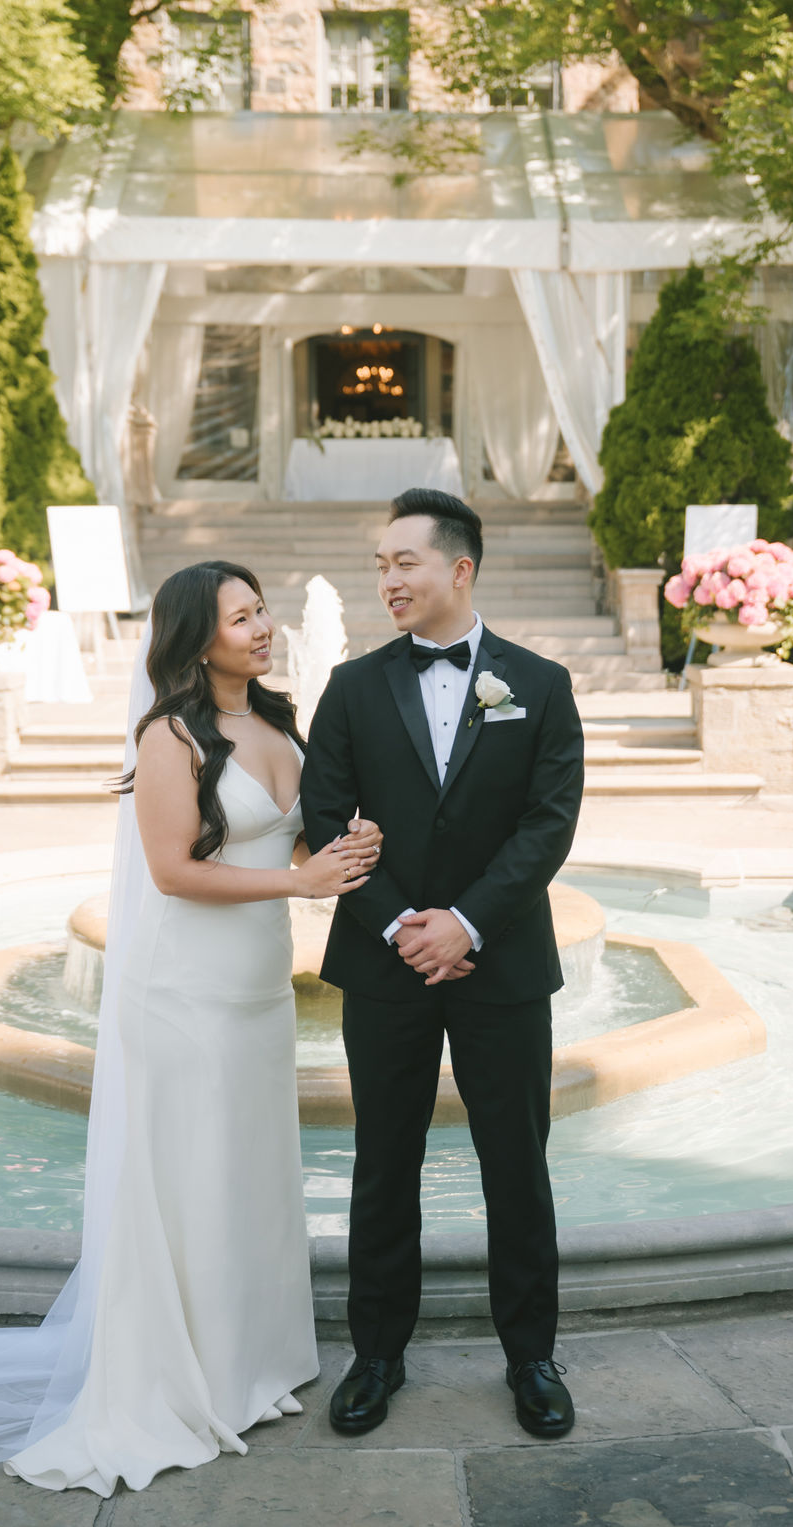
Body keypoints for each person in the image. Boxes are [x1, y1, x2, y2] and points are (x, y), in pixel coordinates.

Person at [0, 560, 382, 1495]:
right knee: (193, 1175)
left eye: (262, 611)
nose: (262, 627)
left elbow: (285, 837)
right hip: (186, 991)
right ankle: (185, 1377)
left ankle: (252, 1361)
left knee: (249, 1169)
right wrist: (301, 882)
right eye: (240, 618)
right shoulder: (170, 736)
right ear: (196, 637)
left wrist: (343, 848)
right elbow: (172, 870)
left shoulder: (278, 720)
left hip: (258, 991)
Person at [300, 488, 585, 1441]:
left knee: (517, 1164)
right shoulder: (350, 687)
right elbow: (327, 817)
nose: (387, 579)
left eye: (404, 562)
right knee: (385, 1161)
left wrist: (465, 923)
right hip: (384, 966)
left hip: (504, 965)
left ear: (459, 569)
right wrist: (401, 926)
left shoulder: (541, 683)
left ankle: (532, 1358)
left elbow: (548, 825)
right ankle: (377, 1354)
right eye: (380, 565)